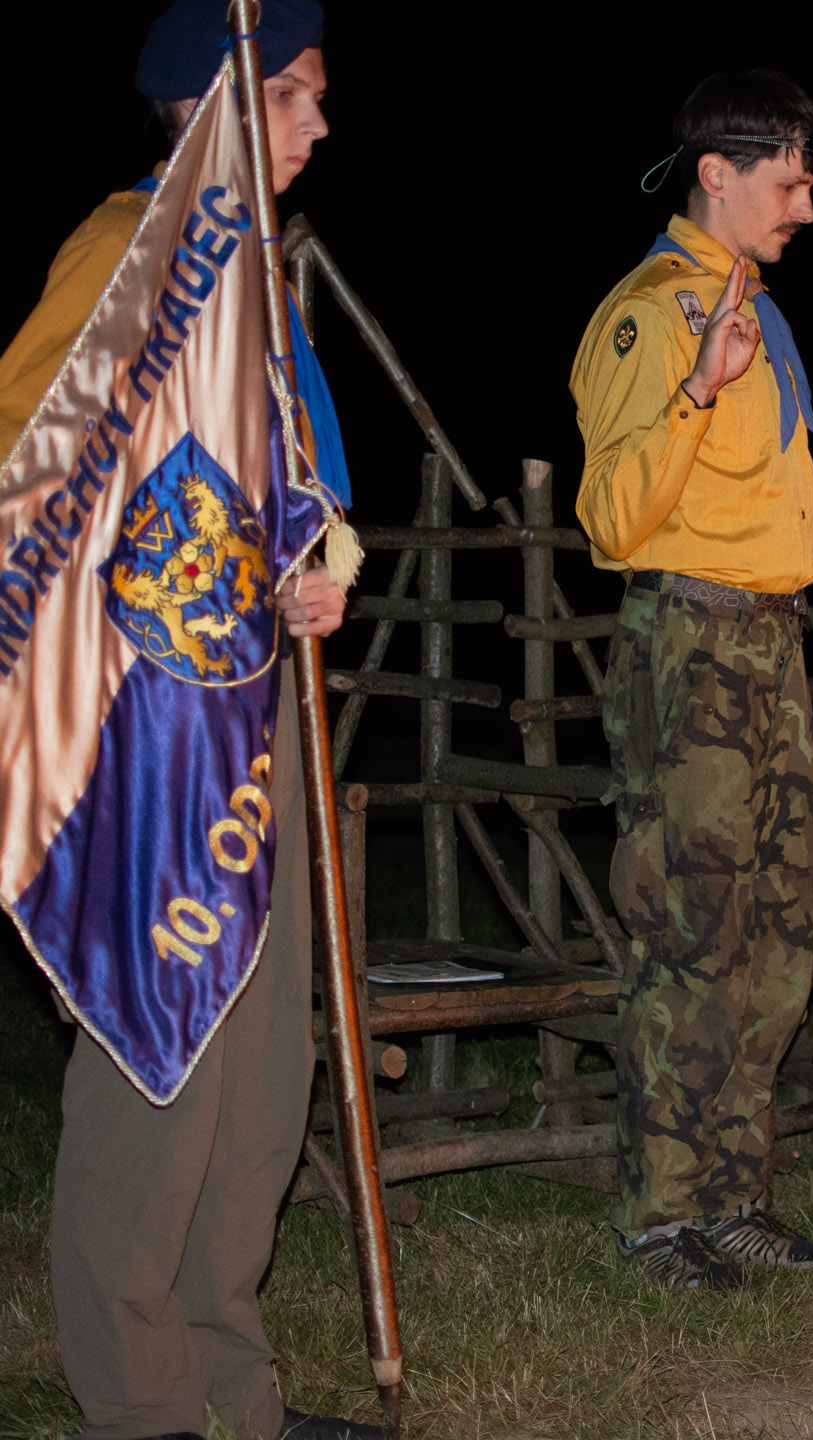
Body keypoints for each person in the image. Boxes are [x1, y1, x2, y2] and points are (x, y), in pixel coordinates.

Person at [0, 3, 359, 1436]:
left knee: (261, 1078)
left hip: (255, 706)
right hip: (146, 725)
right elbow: (29, 466)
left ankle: (232, 1393)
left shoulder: (264, 265)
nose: (320, 123)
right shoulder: (129, 248)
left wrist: (321, 568)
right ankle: (143, 1406)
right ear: (220, 104)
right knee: (163, 1050)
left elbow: (299, 478)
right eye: (296, 95)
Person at [570, 70, 813, 1290]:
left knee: (774, 942)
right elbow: (612, 520)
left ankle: (736, 1199)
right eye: (790, 184)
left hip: (770, 645)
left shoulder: (749, 307)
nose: (808, 209)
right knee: (691, 935)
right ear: (717, 173)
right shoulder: (650, 317)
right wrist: (696, 391)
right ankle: (660, 1215)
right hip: (691, 643)